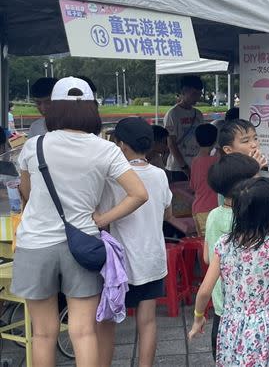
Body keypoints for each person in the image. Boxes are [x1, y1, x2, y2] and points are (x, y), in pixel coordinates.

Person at [12, 77, 148, 367]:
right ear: (91, 109)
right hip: (84, 243)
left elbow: (26, 193)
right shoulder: (106, 149)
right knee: (84, 331)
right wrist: (101, 219)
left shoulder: (34, 146)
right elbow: (138, 194)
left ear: (53, 109)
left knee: (43, 333)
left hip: (35, 243)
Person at [188, 177, 269, 366]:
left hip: (231, 325)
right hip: (263, 327)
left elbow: (204, 291)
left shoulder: (224, 244)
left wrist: (198, 318)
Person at [97, 118, 172, 367]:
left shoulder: (114, 179)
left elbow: (103, 219)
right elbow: (167, 214)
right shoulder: (160, 175)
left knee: (107, 321)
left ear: (122, 146)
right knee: (148, 321)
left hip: (121, 263)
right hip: (152, 258)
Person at [203, 153, 262, 361]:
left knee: (223, 354)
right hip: (248, 307)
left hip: (221, 303)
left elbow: (207, 257)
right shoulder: (247, 220)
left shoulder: (213, 215)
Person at [164, 75, 205, 182]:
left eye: (199, 94)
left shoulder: (198, 114)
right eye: (194, 94)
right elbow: (171, 143)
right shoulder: (173, 114)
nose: (197, 97)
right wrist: (184, 167)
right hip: (177, 168)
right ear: (184, 91)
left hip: (195, 165)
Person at [189, 124, 220, 235]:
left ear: (197, 140)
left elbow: (192, 186)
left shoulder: (195, 161)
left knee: (203, 244)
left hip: (198, 208)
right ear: (215, 140)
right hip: (212, 208)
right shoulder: (217, 161)